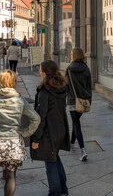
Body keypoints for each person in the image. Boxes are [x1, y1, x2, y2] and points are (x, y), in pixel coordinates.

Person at [0, 70, 40, 196]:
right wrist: (25, 132)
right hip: (14, 142)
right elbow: (36, 118)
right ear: (14, 82)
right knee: (11, 175)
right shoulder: (20, 100)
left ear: (0, 82)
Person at [31, 60, 69, 196]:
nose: (39, 72)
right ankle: (63, 190)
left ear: (45, 73)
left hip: (49, 133)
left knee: (50, 164)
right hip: (60, 130)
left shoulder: (45, 93)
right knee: (55, 159)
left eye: (41, 70)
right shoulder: (60, 87)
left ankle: (55, 193)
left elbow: (41, 118)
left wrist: (35, 139)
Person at [66, 48, 92, 161]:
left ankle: (83, 150)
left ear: (73, 56)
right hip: (84, 101)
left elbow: (66, 86)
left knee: (76, 124)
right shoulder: (86, 69)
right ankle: (71, 143)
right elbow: (89, 86)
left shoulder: (69, 69)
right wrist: (89, 98)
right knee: (76, 122)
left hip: (72, 100)